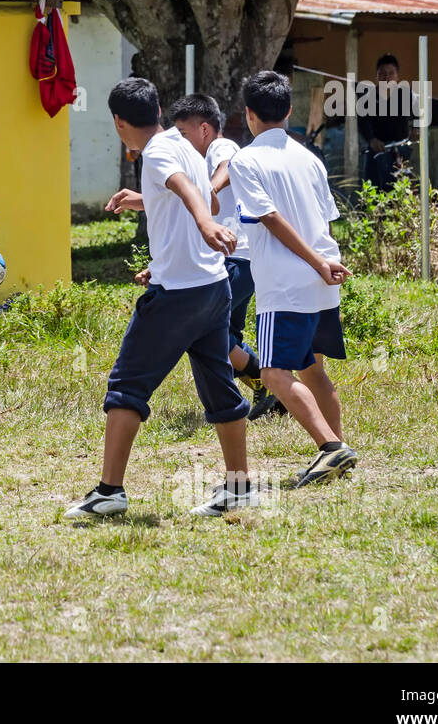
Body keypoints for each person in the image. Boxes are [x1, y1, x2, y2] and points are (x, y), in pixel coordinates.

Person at [64, 78, 253, 520]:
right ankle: (240, 486)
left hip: (177, 296)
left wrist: (205, 228)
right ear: (161, 110)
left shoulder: (157, 152)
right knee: (219, 389)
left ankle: (109, 491)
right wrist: (148, 201)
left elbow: (188, 192)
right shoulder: (183, 143)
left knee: (127, 386)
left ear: (117, 122)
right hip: (213, 287)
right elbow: (199, 194)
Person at [228, 71, 359, 489]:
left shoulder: (246, 160)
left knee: (272, 375)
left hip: (285, 285)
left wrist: (316, 263)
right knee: (313, 371)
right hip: (322, 280)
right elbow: (322, 222)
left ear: (249, 114)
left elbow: (267, 216)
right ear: (288, 111)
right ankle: (337, 451)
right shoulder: (310, 158)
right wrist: (324, 265)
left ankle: (331, 448)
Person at [169, 94, 282, 421]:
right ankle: (269, 388)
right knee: (222, 335)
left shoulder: (221, 146)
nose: (180, 139)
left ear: (204, 129)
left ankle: (267, 386)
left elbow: (229, 165)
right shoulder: (193, 166)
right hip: (236, 259)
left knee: (200, 329)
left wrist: (211, 191)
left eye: (183, 132)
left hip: (235, 259)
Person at [359, 53, 419, 191]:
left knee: (402, 187)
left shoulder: (405, 94)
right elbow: (363, 122)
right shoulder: (368, 97)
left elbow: (418, 112)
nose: (387, 78)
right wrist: (371, 139)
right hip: (377, 149)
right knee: (373, 189)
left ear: (397, 76)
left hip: (400, 148)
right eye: (382, 74)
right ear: (376, 76)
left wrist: (416, 129)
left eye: (391, 74)